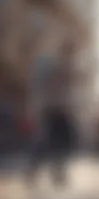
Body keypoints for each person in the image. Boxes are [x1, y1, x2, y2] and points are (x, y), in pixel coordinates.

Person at [26, 40, 77, 188]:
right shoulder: (57, 66)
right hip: (53, 108)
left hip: (58, 109)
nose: (72, 55)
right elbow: (51, 88)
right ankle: (39, 172)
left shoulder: (63, 66)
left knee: (60, 141)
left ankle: (54, 173)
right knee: (51, 141)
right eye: (70, 52)